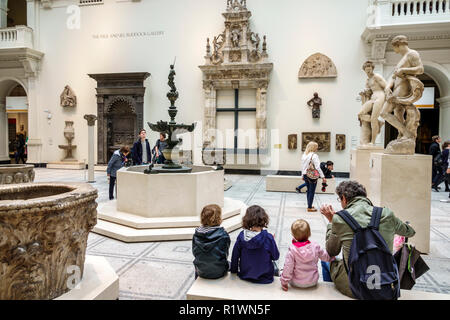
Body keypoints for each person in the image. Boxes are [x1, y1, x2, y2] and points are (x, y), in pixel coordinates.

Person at [320, 180, 416, 298]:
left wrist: (331, 222)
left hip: (355, 288)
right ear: (364, 196)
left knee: (325, 261)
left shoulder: (340, 219)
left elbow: (331, 251)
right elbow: (410, 232)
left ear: (344, 198)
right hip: (386, 285)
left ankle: (330, 296)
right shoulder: (386, 214)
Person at [230, 205, 280, 284]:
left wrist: (233, 271)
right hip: (265, 277)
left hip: (245, 274)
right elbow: (276, 256)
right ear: (264, 220)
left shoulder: (241, 236)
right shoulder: (268, 238)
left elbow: (235, 256)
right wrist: (272, 241)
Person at [280, 219, 334, 291]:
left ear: (293, 235)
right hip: (313, 282)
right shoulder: (315, 247)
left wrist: (284, 281)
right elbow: (326, 257)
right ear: (309, 234)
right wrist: (332, 258)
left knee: (282, 271)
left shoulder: (292, 250)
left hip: (296, 282)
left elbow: (288, 267)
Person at [192, 204, 231, 279]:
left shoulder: (196, 234)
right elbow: (225, 254)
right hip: (219, 272)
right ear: (218, 218)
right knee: (230, 263)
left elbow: (195, 253)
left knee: (200, 261)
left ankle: (197, 277)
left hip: (201, 271)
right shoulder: (223, 235)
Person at [302, 142, 326, 212]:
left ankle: (309, 205)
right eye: (316, 147)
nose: (317, 148)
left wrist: (302, 175)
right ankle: (309, 207)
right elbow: (318, 167)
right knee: (311, 191)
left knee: (309, 190)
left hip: (305, 174)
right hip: (312, 175)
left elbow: (302, 166)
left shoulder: (304, 155)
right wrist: (323, 177)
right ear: (313, 147)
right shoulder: (314, 156)